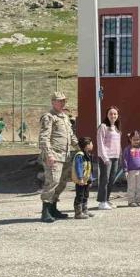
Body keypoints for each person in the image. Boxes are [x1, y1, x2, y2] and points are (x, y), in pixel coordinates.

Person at [38, 92, 79, 223]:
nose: (62, 103)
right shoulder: (49, 117)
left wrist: (80, 149)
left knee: (62, 183)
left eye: (64, 101)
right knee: (52, 182)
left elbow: (71, 136)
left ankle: (53, 208)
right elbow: (44, 138)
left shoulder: (65, 117)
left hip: (65, 156)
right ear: (53, 102)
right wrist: (48, 154)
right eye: (60, 101)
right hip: (54, 156)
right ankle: (45, 211)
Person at [96, 106, 122, 209]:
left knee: (111, 180)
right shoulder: (103, 126)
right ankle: (102, 202)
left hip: (115, 157)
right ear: (107, 115)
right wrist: (105, 158)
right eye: (111, 114)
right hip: (106, 158)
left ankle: (106, 200)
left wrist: (119, 155)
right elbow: (100, 143)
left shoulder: (116, 128)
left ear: (117, 115)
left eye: (115, 114)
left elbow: (118, 144)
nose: (113, 116)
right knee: (105, 179)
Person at [71, 137, 95, 220]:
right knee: (80, 195)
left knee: (86, 195)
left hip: (86, 179)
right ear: (86, 145)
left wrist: (91, 179)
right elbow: (79, 168)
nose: (92, 145)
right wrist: (80, 178)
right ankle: (78, 213)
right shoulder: (80, 155)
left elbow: (89, 168)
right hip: (81, 180)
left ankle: (84, 210)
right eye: (91, 143)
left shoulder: (88, 155)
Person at [123, 130, 140, 207]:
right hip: (131, 171)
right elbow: (125, 160)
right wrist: (126, 170)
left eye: (138, 139)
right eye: (134, 139)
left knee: (139, 186)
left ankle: (138, 200)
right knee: (131, 186)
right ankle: (131, 201)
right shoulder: (127, 149)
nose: (136, 141)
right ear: (130, 139)